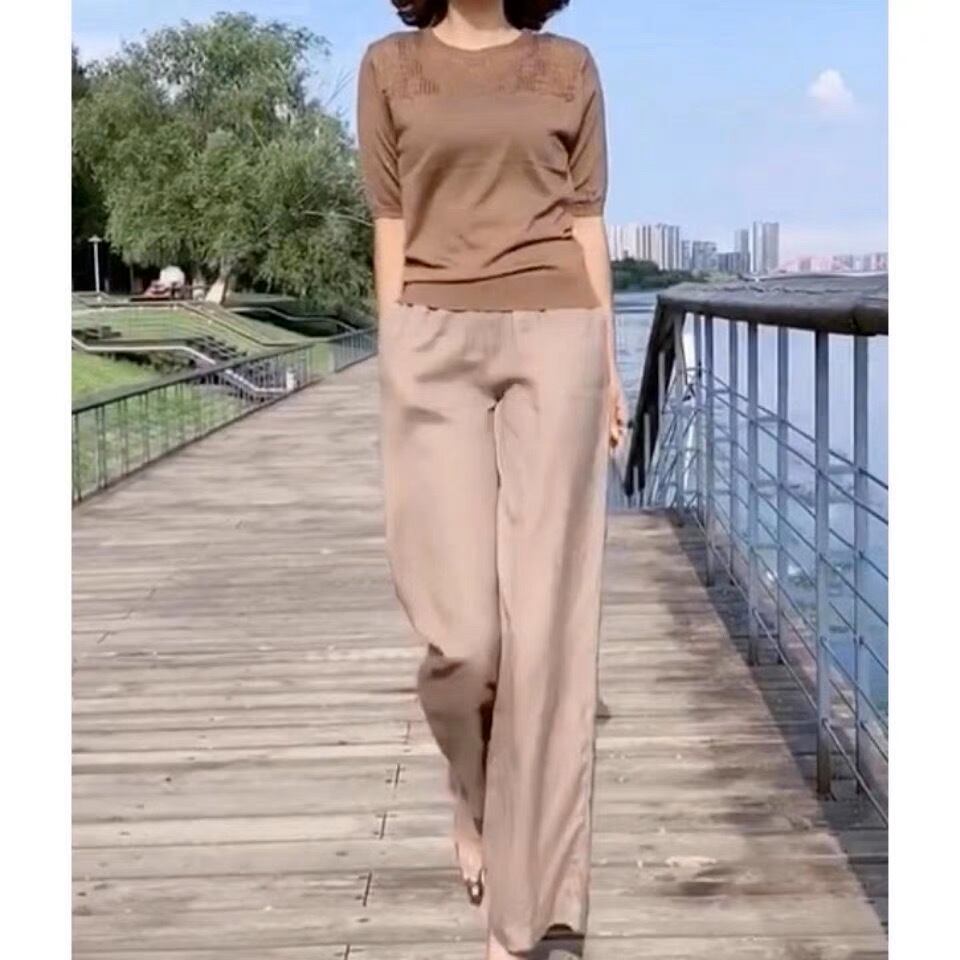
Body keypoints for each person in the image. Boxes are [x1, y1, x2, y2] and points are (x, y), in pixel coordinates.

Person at [356, 1, 625, 956]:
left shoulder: (568, 64)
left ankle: (533, 912)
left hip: (557, 338)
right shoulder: (390, 64)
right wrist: (396, 349)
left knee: (547, 632)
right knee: (466, 641)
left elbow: (586, 223)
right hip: (432, 339)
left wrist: (608, 367)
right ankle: (473, 800)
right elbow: (391, 222)